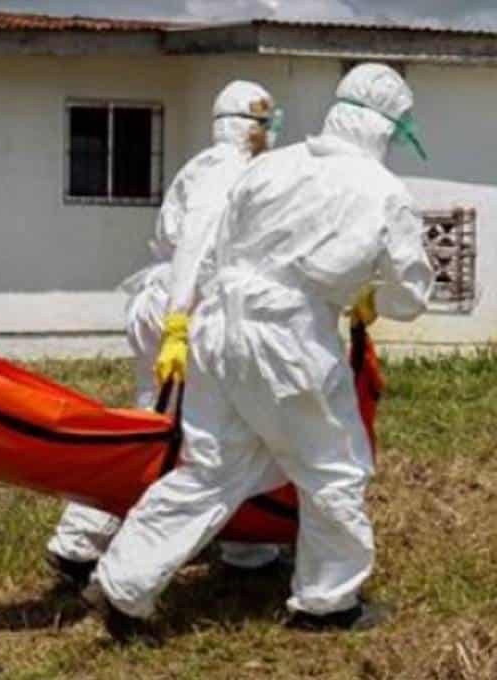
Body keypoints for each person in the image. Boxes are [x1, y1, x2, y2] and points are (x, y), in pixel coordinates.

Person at [84, 63, 434, 637]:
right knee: (332, 469)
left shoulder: (271, 165)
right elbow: (411, 293)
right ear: (386, 127)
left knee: (210, 468)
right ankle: (327, 603)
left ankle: (124, 585)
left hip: (219, 325)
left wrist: (185, 321)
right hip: (289, 335)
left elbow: (215, 248)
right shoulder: (383, 191)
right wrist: (373, 296)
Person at [47, 82, 284, 588]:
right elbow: (195, 246)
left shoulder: (207, 164)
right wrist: (180, 320)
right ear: (252, 126)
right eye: (267, 123)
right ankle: (83, 542)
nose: (272, 133)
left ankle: (246, 544)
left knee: (175, 427)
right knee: (182, 436)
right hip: (188, 308)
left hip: (179, 306)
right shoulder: (228, 170)